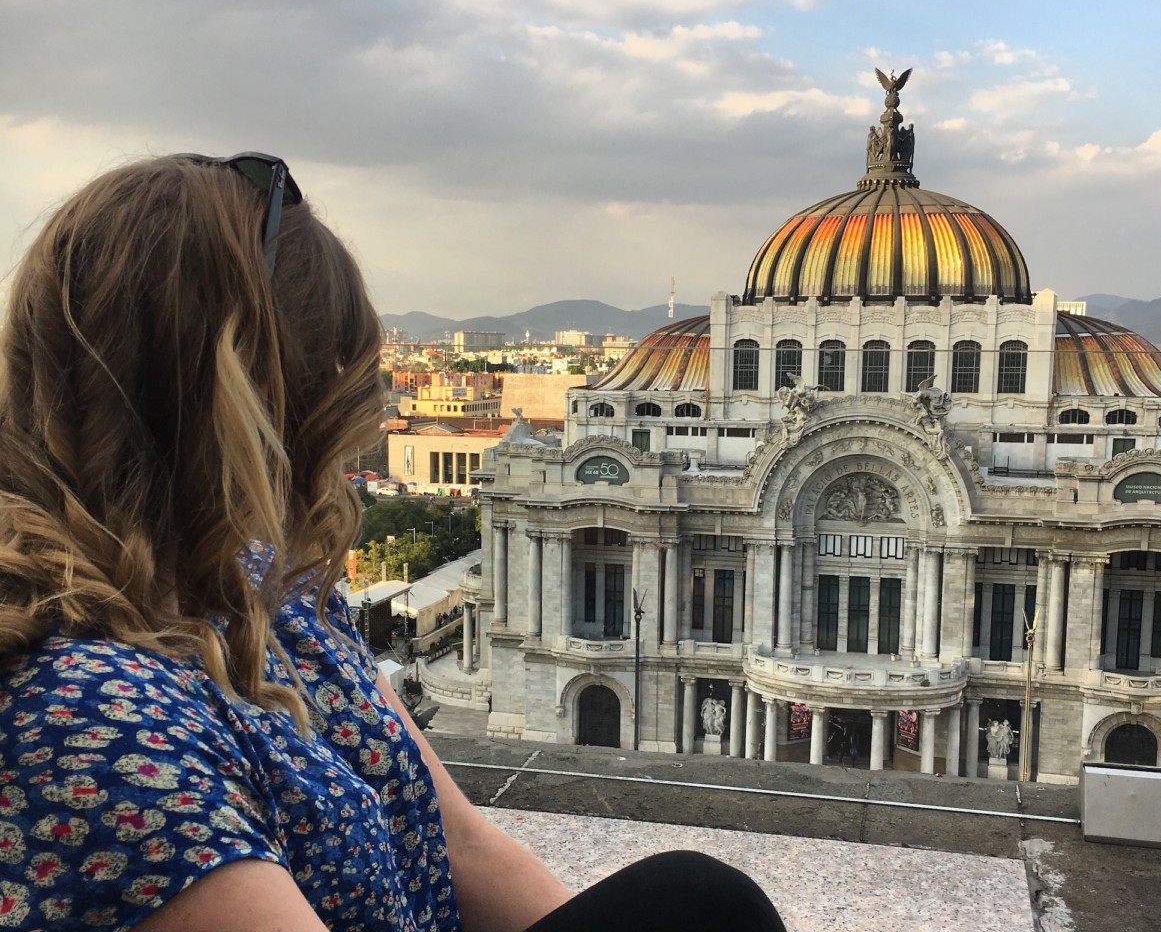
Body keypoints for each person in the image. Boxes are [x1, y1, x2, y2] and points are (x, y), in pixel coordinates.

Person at [0, 154, 785, 932]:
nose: (368, 422)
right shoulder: (85, 720)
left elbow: (461, 843)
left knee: (700, 905)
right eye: (330, 385)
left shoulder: (269, 588)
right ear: (235, 403)